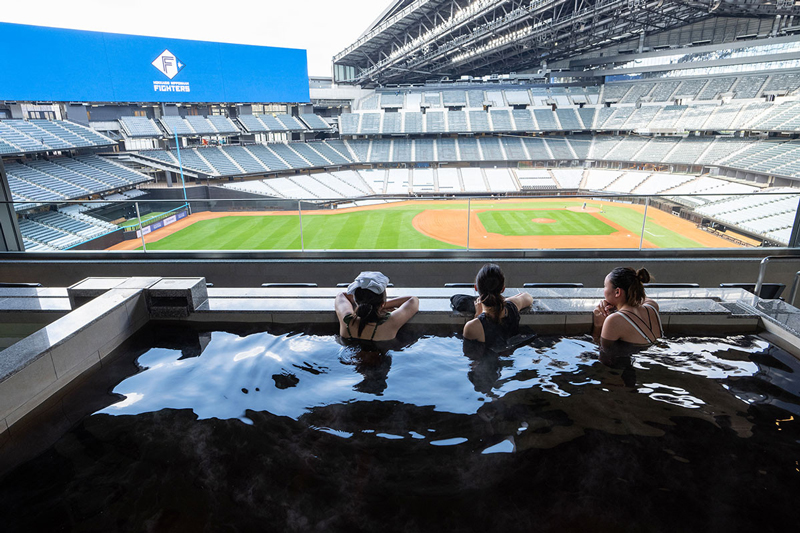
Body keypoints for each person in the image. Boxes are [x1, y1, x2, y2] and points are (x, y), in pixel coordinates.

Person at [593, 267, 662, 353]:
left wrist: (598, 325)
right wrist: (618, 303)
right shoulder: (652, 307)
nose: (603, 290)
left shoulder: (614, 320)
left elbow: (602, 352)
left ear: (617, 292)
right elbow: (642, 298)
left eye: (605, 286)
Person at [463, 264, 533, 348]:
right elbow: (527, 297)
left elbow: (471, 356)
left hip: (488, 360)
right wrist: (505, 301)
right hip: (510, 357)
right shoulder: (511, 307)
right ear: (503, 289)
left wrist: (477, 315)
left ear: (476, 288)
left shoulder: (472, 326)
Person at [335, 271, 419, 342]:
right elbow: (413, 300)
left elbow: (341, 295)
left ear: (356, 300)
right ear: (382, 302)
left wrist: (364, 305)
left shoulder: (347, 321)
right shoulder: (391, 322)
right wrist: (381, 306)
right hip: (380, 358)